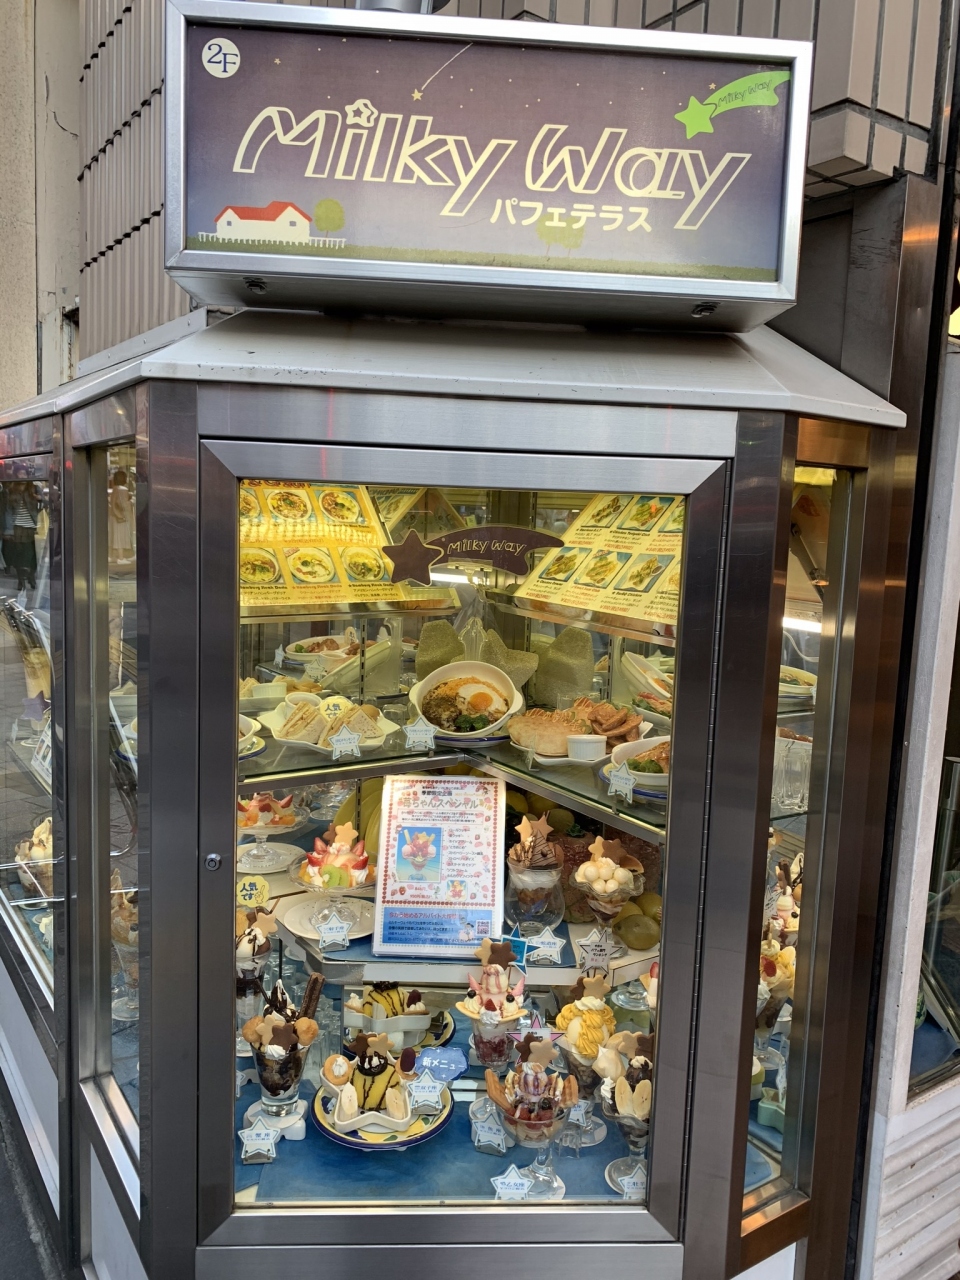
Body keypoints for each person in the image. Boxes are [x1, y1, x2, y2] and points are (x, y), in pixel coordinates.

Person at [1, 482, 40, 591]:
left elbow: (45, 504)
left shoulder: (34, 488)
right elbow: (8, 511)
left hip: (32, 527)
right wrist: (9, 530)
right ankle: (21, 580)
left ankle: (30, 576)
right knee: (19, 555)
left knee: (32, 555)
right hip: (17, 527)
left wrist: (40, 499)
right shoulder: (11, 490)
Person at [108, 469, 134, 564]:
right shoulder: (123, 490)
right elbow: (123, 505)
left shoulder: (115, 488)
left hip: (113, 515)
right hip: (121, 516)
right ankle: (121, 558)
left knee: (113, 536)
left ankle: (111, 556)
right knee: (120, 536)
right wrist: (131, 501)